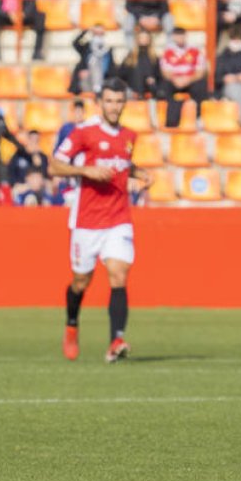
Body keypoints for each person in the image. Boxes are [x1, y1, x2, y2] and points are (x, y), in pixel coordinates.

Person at [52, 78, 151, 362]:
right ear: (100, 102)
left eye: (119, 101)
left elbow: (121, 161)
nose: (114, 106)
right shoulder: (84, 133)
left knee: (119, 275)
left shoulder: (130, 136)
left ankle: (115, 340)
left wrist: (140, 173)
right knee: (81, 281)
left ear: (124, 103)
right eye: (109, 100)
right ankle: (72, 325)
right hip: (86, 221)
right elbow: (55, 165)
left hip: (119, 217)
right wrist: (87, 172)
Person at [157, 27, 209, 128]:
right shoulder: (168, 52)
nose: (180, 38)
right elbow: (165, 72)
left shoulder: (194, 51)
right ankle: (170, 120)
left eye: (182, 35)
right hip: (174, 80)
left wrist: (188, 79)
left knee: (201, 86)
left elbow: (200, 71)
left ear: (185, 36)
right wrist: (175, 79)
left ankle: (198, 117)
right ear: (173, 37)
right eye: (177, 35)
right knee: (164, 87)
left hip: (190, 80)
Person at [214, 26, 241, 128]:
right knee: (233, 88)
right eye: (234, 40)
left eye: (238, 40)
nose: (236, 43)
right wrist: (226, 78)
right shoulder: (222, 57)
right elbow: (217, 78)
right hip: (231, 86)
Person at [69, 24, 120, 95]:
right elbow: (75, 43)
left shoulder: (108, 50)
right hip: (88, 80)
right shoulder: (86, 48)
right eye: (96, 33)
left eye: (100, 33)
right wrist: (85, 31)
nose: (98, 36)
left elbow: (111, 69)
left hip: (104, 80)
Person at [119, 30, 160, 99]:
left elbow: (158, 76)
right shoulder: (130, 56)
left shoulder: (154, 58)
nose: (144, 40)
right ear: (137, 39)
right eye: (141, 38)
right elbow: (122, 74)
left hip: (150, 89)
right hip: (132, 89)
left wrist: (153, 79)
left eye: (146, 38)